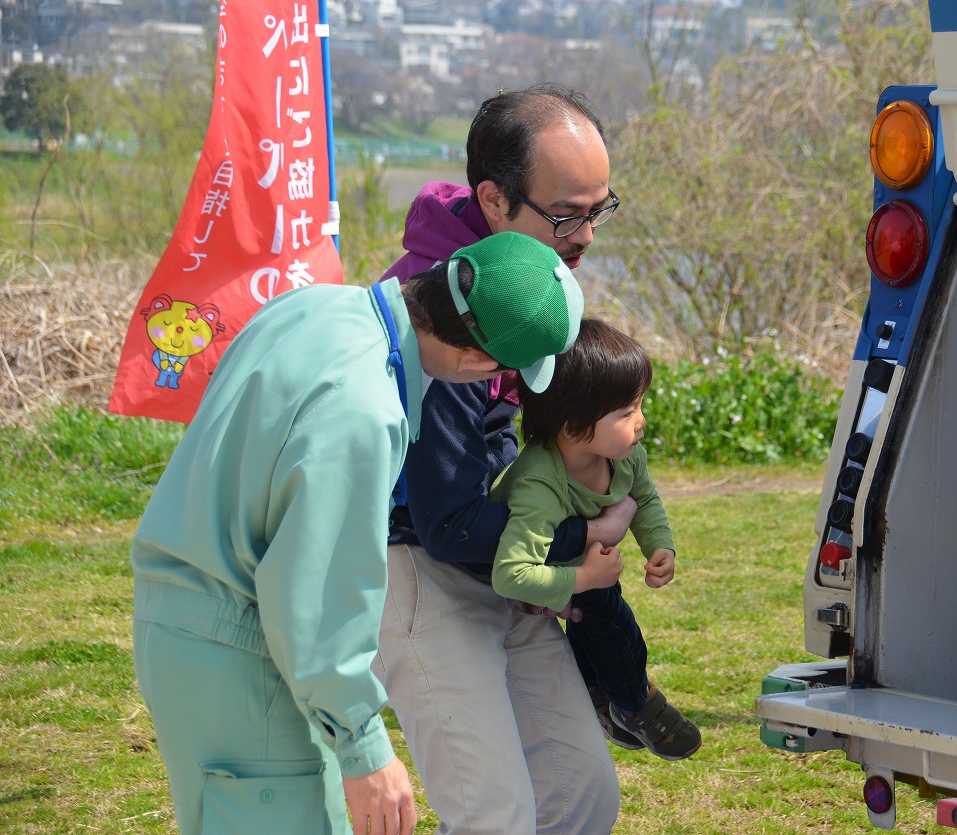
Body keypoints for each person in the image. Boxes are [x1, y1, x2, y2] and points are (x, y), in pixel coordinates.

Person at [130, 231, 583, 835]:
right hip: (245, 649)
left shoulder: (314, 306)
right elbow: (314, 593)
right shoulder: (364, 411)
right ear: (480, 364)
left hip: (185, 619)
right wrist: (363, 745)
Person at [373, 84, 631, 834]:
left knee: (580, 793)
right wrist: (577, 545)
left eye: (599, 208)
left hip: (489, 564)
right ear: (493, 200)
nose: (586, 235)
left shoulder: (516, 282)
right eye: (566, 214)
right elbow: (447, 517)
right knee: (497, 816)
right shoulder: (453, 318)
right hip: (417, 572)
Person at [491, 318, 703, 761]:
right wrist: (584, 577)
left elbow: (644, 498)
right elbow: (509, 575)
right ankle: (634, 703)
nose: (641, 422)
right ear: (573, 428)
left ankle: (600, 696)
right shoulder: (539, 484)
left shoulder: (624, 456)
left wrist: (659, 545)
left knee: (592, 619)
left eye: (639, 406)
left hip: (569, 572)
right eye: (626, 413)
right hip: (514, 591)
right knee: (609, 615)